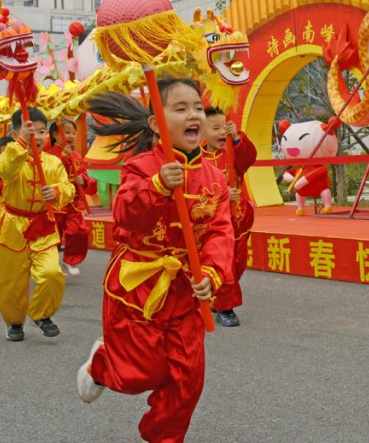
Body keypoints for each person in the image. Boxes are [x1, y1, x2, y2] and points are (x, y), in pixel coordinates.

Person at [76, 77, 233, 443]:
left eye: (197, 107)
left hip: (186, 293)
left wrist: (212, 273)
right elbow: (125, 215)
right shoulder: (141, 166)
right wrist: (157, 186)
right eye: (180, 109)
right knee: (140, 374)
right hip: (138, 287)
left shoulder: (214, 177)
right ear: (155, 123)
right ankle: (102, 363)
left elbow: (220, 232)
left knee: (187, 383)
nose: (192, 115)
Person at [0, 108, 74, 342]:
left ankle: (41, 314)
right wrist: (21, 141)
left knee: (52, 273)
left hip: (43, 226)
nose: (37, 137)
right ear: (14, 134)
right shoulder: (10, 157)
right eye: (31, 132)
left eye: (41, 132)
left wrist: (57, 191)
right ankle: (14, 322)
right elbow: (5, 170)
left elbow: (68, 188)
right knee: (12, 282)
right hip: (13, 226)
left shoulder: (53, 162)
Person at [200, 107, 257, 327]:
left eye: (224, 127)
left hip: (240, 219)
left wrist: (237, 139)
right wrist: (222, 195)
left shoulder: (231, 152)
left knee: (239, 263)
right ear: (203, 133)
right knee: (225, 264)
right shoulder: (198, 159)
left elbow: (248, 159)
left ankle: (219, 292)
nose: (221, 132)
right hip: (213, 223)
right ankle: (225, 307)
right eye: (215, 128)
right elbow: (196, 189)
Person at [47, 118, 97, 277]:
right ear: (55, 134)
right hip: (56, 201)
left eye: (73, 132)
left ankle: (70, 260)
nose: (71, 135)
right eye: (67, 132)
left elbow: (83, 173)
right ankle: (51, 262)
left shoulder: (76, 155)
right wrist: (63, 156)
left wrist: (83, 180)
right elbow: (49, 175)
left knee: (80, 230)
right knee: (54, 234)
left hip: (74, 202)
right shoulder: (48, 155)